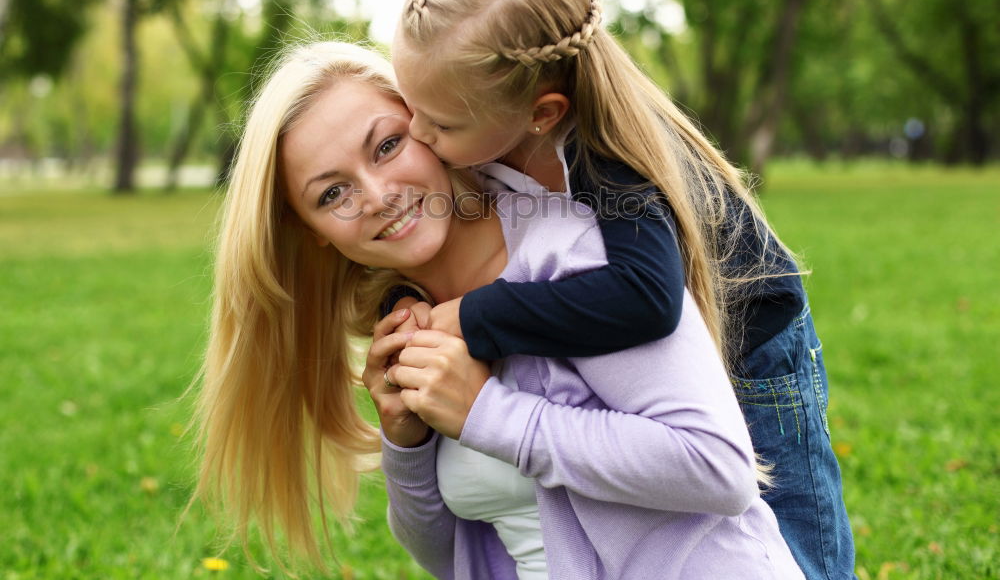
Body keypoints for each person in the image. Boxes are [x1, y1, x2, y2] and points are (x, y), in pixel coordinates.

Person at [192, 40, 804, 579]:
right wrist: (407, 442)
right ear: (313, 231)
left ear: (427, 126)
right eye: (332, 193)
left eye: (386, 145)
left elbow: (718, 467)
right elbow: (452, 555)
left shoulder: (574, 254)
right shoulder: (410, 320)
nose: (377, 197)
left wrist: (489, 413)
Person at [386, 0, 854, 580]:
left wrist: (476, 316)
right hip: (664, 359)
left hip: (756, 345)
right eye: (409, 108)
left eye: (439, 123)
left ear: (541, 114)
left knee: (796, 547)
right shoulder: (491, 113)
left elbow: (645, 298)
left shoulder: (610, 158)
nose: (417, 134)